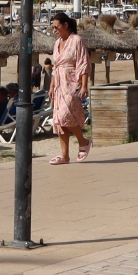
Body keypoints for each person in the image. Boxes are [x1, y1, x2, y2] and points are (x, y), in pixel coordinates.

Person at [47, 12, 91, 164]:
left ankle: (83, 141)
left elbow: (83, 63)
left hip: (72, 82)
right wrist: (51, 86)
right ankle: (65, 156)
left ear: (65, 25)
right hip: (59, 84)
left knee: (65, 115)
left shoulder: (76, 40)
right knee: (59, 121)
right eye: (53, 27)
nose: (54, 30)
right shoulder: (57, 43)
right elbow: (55, 67)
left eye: (56, 27)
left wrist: (84, 86)